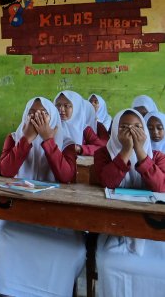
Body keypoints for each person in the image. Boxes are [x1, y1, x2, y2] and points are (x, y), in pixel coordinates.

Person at [0, 97, 84, 297]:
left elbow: (66, 176)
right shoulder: (14, 137)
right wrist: (26, 140)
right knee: (4, 234)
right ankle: (15, 289)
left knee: (71, 248)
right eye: (31, 114)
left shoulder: (67, 143)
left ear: (52, 117)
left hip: (55, 211)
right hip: (20, 208)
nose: (36, 118)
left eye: (43, 114)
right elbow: (6, 170)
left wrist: (48, 140)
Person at [93, 109, 165, 296]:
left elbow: (160, 187)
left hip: (152, 228)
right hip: (115, 226)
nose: (131, 132)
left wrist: (140, 151)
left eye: (137, 127)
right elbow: (107, 182)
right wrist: (125, 151)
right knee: (108, 261)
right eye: (124, 127)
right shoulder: (103, 154)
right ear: (114, 131)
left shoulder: (158, 157)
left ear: (145, 132)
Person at [54, 90, 105, 156]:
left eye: (66, 106)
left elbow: (100, 147)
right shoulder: (51, 125)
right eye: (58, 105)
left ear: (76, 108)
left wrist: (80, 148)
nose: (61, 109)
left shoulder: (84, 128)